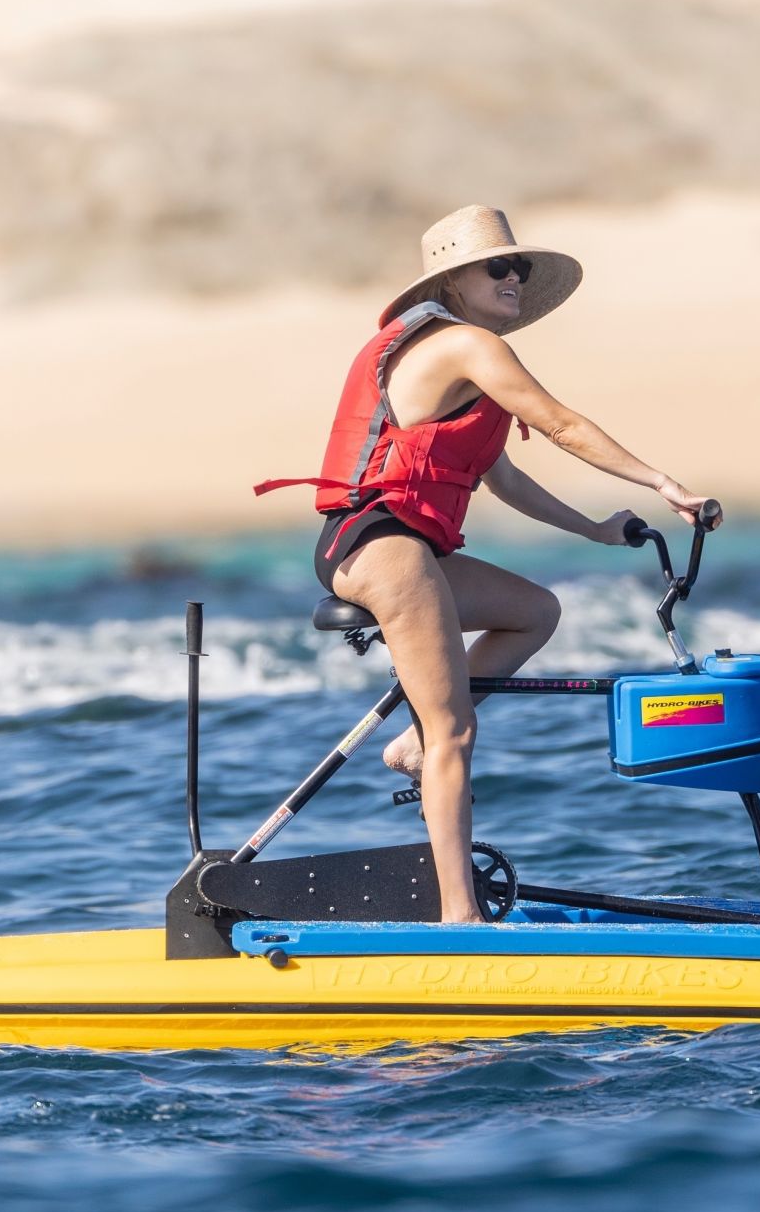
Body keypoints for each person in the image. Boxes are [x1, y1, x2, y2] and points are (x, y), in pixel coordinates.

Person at [256, 205, 720, 923]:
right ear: (454, 281)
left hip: (407, 549)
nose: (513, 278)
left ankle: (415, 740)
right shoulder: (465, 345)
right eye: (497, 268)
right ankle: (459, 916)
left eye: (520, 268)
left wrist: (595, 529)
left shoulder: (461, 359)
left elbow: (501, 477)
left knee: (536, 611)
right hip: (378, 544)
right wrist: (661, 482)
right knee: (457, 732)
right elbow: (563, 424)